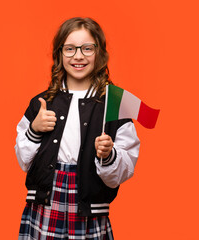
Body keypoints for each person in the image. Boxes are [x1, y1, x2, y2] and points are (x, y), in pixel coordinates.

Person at [14, 17, 140, 240]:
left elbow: (122, 172)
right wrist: (34, 129)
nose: (78, 56)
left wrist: (109, 155)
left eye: (87, 48)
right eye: (70, 49)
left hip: (88, 209)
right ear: (59, 54)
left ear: (99, 53)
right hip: (45, 204)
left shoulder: (115, 103)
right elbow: (24, 162)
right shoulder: (41, 103)